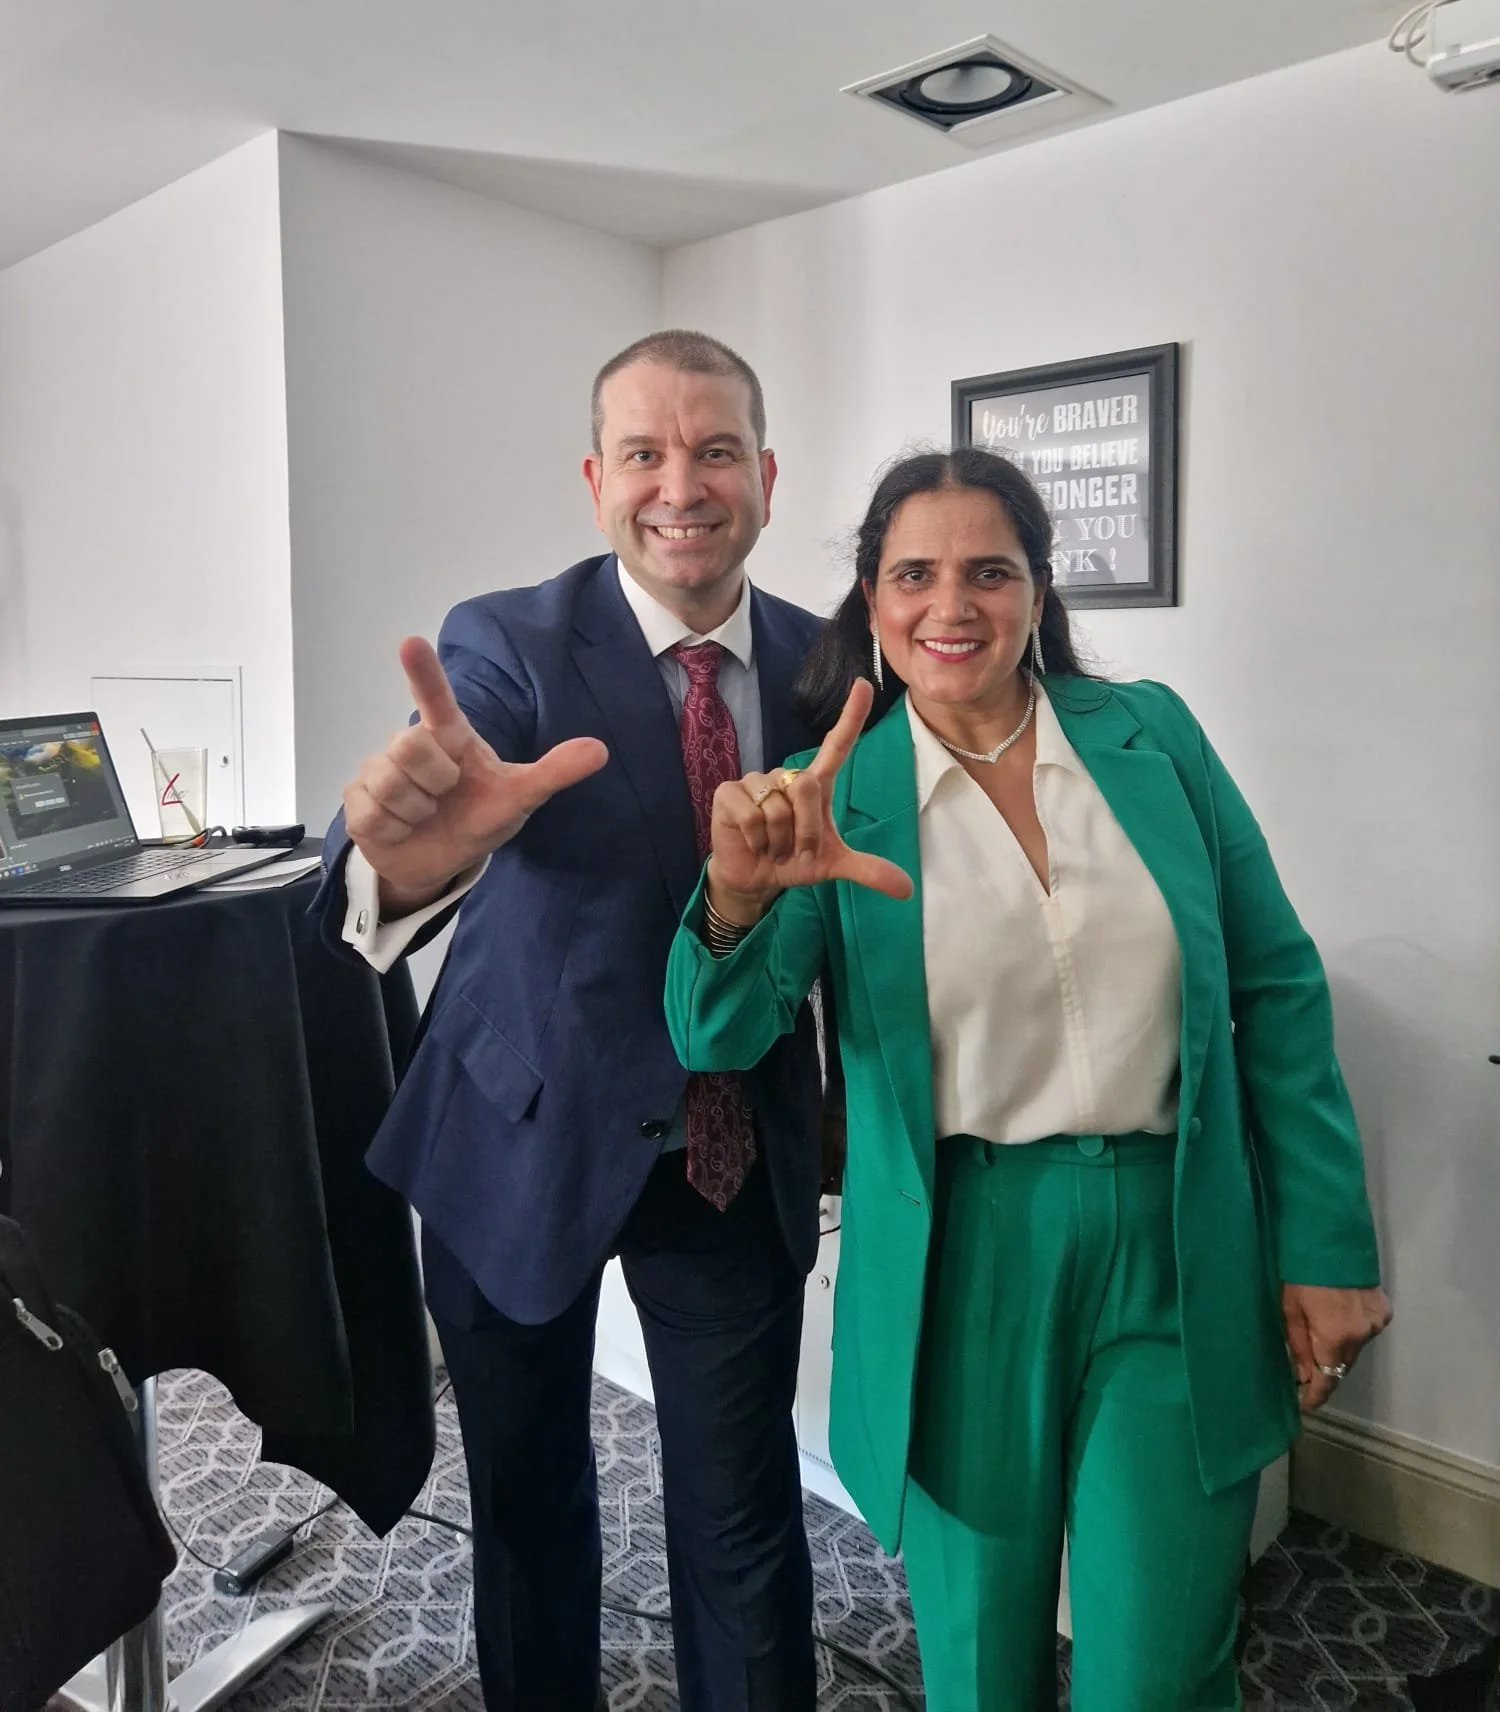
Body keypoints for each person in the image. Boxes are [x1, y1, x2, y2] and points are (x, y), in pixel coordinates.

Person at [666, 445, 1392, 1712]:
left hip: (1175, 1238)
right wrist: (734, 893)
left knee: (1161, 1666)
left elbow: (1275, 984)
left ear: (1038, 591)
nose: (952, 604)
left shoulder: (1153, 737)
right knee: (982, 1661)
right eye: (915, 574)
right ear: (874, 600)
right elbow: (712, 1033)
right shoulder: (839, 793)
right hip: (964, 1252)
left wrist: (1326, 1240)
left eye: (990, 571)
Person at [316, 330, 827, 1712]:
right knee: (530, 1506)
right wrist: (401, 858)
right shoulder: (508, 641)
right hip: (517, 1133)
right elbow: (425, 797)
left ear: (766, 476)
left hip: (725, 1145)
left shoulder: (823, 662)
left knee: (742, 1520)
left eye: (715, 450)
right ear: (598, 481)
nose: (682, 485)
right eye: (645, 453)